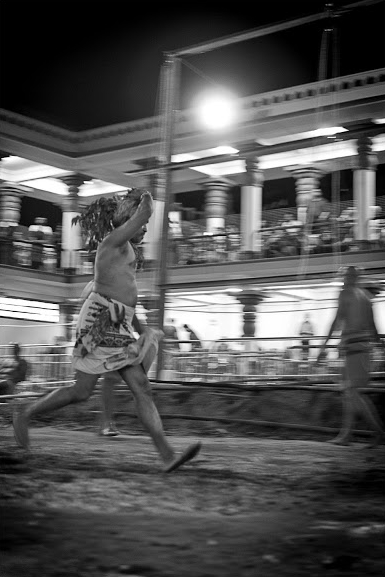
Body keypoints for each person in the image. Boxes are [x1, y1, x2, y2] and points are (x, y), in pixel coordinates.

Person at [13, 188, 201, 472]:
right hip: (99, 324)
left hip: (119, 324)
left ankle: (167, 455)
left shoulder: (127, 249)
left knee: (140, 387)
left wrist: (140, 329)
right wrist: (148, 195)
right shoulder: (111, 243)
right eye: (141, 225)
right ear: (127, 219)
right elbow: (146, 212)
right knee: (81, 392)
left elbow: (123, 299)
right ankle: (26, 413)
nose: (145, 228)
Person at [316, 266, 385, 446]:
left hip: (355, 349)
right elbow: (374, 328)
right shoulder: (366, 298)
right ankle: (346, 435)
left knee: (354, 394)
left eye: (347, 276)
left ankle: (379, 432)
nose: (345, 279)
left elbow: (336, 321)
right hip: (360, 350)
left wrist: (323, 347)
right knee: (349, 394)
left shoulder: (346, 293)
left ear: (351, 278)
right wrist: (380, 347)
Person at [79, 278, 121, 437]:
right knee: (87, 388)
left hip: (104, 335)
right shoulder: (100, 284)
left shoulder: (105, 283)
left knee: (108, 381)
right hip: (99, 335)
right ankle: (106, 423)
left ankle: (106, 423)